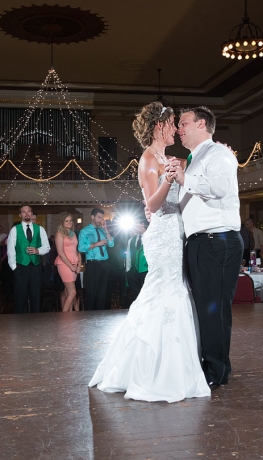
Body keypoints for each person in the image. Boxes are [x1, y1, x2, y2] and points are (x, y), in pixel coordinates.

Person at [89, 102, 210, 402]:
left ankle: (174, 368)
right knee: (162, 293)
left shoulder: (167, 157)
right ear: (159, 126)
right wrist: (168, 179)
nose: (177, 129)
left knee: (175, 293)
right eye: (172, 124)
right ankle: (149, 370)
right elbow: (152, 206)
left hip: (175, 231)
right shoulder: (147, 159)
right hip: (161, 235)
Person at [169, 105, 244, 388]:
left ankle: (217, 371)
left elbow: (220, 188)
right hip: (201, 242)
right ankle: (209, 364)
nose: (179, 128)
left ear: (202, 124)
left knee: (214, 309)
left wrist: (183, 178)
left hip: (218, 240)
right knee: (203, 309)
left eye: (184, 122)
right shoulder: (194, 158)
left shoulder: (219, 154)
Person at [7, 205, 50, 314]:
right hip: (20, 267)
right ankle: (20, 324)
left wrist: (38, 251)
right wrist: (14, 267)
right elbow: (11, 250)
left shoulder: (40, 229)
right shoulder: (15, 230)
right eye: (24, 212)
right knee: (20, 297)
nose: (27, 214)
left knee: (36, 296)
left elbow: (47, 247)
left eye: (29, 211)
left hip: (36, 266)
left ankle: (36, 322)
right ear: (20, 215)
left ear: (31, 213)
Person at [78, 208, 114, 310]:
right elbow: (80, 248)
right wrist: (96, 244)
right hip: (92, 264)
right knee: (91, 292)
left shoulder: (103, 231)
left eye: (102, 218)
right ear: (92, 217)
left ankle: (101, 315)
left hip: (105, 263)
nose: (100, 220)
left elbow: (111, 244)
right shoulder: (84, 231)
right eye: (98, 217)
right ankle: (90, 316)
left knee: (103, 291)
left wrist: (107, 231)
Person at [54, 212, 82, 312]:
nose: (69, 222)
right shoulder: (59, 234)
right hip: (64, 264)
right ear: (62, 222)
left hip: (74, 264)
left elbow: (77, 250)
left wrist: (79, 265)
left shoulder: (73, 233)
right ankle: (63, 317)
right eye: (67, 221)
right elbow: (60, 253)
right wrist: (71, 266)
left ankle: (69, 318)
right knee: (72, 292)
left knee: (68, 292)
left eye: (70, 220)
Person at [125, 219, 149, 304]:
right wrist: (128, 271)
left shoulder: (150, 237)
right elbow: (128, 256)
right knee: (136, 297)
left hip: (147, 272)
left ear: (142, 224)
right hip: (133, 273)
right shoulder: (131, 240)